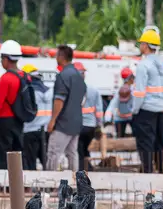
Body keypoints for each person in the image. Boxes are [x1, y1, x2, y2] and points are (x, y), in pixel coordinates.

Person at [133, 28, 163, 173]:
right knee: (159, 141)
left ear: (146, 45)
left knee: (145, 142)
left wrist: (135, 110)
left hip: (146, 108)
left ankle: (147, 172)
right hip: (160, 108)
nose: (140, 45)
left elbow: (139, 92)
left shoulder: (143, 65)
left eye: (142, 43)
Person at [46, 45, 85, 175]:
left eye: (57, 55)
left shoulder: (63, 75)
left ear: (62, 57)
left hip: (63, 123)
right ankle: (75, 182)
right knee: (72, 153)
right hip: (76, 122)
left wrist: (52, 120)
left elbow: (59, 100)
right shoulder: (79, 76)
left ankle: (49, 182)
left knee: (53, 153)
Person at [0, 40, 28, 169]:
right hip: (18, 119)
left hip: (4, 120)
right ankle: (18, 179)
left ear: (6, 59)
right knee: (17, 152)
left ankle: (2, 180)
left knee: (3, 153)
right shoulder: (24, 76)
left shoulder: (5, 78)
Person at [19, 64, 48, 171]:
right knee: (46, 162)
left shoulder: (28, 90)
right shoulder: (49, 91)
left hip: (30, 130)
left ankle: (31, 182)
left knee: (30, 163)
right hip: (45, 130)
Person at [104, 68, 136, 138]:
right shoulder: (133, 91)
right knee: (135, 136)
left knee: (120, 137)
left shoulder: (119, 91)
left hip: (120, 118)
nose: (134, 79)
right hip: (128, 117)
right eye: (133, 77)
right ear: (130, 78)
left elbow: (111, 106)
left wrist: (107, 118)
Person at [79, 83, 103, 170]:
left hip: (79, 125)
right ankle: (88, 167)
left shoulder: (75, 90)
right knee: (85, 148)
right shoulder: (94, 91)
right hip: (91, 125)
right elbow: (99, 109)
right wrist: (99, 124)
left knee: (80, 149)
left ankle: (83, 167)